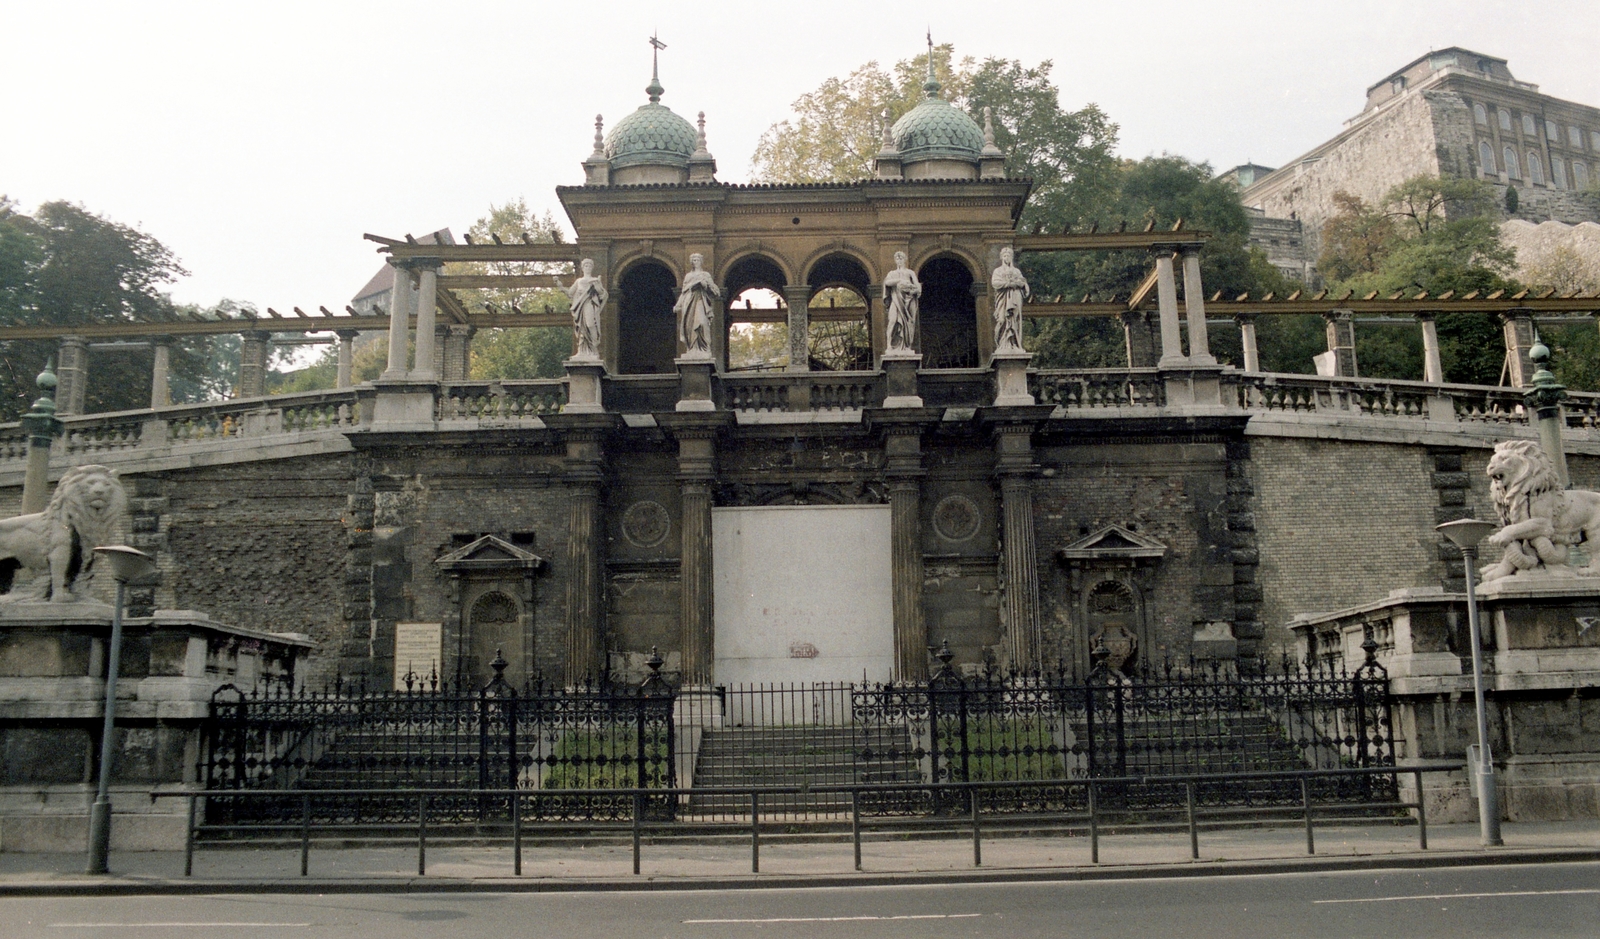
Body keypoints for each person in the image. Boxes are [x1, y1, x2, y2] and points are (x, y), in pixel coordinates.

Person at [554, 258, 606, 360]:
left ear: (592, 268)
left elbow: (601, 293)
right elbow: (570, 293)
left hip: (590, 303)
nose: (588, 268)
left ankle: (594, 348)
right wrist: (560, 286)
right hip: (580, 306)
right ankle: (582, 351)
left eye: (589, 266)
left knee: (591, 324)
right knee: (582, 328)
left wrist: (597, 285)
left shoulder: (595, 280)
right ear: (582, 268)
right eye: (586, 266)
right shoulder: (579, 281)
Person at [674, 253, 720, 357]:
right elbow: (683, 292)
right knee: (689, 325)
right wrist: (678, 305)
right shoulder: (688, 276)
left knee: (702, 323)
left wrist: (705, 285)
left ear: (701, 261)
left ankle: (704, 348)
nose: (696, 262)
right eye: (694, 260)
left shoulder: (706, 275)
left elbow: (716, 291)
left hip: (701, 301)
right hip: (689, 301)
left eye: (698, 260)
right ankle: (692, 349)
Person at [990, 246, 1029, 354]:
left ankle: (1014, 344)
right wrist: (1009, 284)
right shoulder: (997, 271)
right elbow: (995, 283)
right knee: (1002, 320)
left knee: (1015, 320)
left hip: (1015, 297)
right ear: (1002, 257)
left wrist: (1019, 283)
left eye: (1009, 256)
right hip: (1003, 299)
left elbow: (1023, 283)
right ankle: (1003, 344)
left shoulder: (1016, 271)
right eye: (1005, 255)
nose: (1007, 258)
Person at [882, 251, 921, 353]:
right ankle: (889, 345)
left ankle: (906, 346)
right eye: (897, 259)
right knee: (892, 320)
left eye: (901, 258)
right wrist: (899, 281)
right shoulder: (892, 273)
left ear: (905, 259)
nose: (899, 260)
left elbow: (917, 286)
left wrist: (913, 289)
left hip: (908, 300)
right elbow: (887, 282)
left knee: (908, 322)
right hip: (896, 299)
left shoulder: (910, 272)